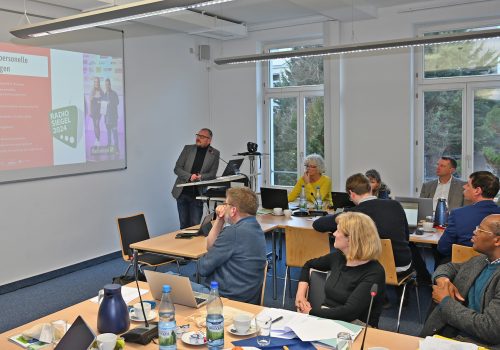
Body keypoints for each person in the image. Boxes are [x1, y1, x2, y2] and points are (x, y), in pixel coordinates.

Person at [420, 214, 500, 347]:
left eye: (480, 230)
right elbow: (448, 267)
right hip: (451, 334)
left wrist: (445, 301)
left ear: (497, 241)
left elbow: (489, 328)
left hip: (477, 343)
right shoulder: (481, 260)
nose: (474, 232)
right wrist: (442, 279)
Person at [295, 212, 386, 326]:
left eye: (338, 231)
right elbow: (308, 264)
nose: (334, 233)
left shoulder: (374, 272)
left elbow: (349, 312)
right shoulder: (339, 257)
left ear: (351, 239)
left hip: (356, 326)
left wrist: (310, 312)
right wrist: (301, 296)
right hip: (326, 317)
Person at [313, 173, 412, 272]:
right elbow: (407, 237)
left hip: (370, 268)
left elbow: (317, 225)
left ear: (351, 194)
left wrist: (339, 216)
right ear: (370, 189)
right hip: (402, 265)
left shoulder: (352, 214)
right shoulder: (395, 205)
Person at [198, 187, 267, 304]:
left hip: (224, 298)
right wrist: (220, 220)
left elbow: (203, 268)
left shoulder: (233, 232)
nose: (224, 207)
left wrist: (203, 259)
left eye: (226, 204)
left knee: (171, 282)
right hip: (248, 297)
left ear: (233, 210)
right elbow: (211, 247)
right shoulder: (256, 228)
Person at [436, 171, 500, 263]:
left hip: (463, 267)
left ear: (477, 190)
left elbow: (443, 248)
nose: (464, 186)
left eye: (468, 185)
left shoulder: (458, 214)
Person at [171, 129, 220, 229]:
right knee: (184, 226)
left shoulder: (214, 153)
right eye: (198, 135)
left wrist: (201, 177)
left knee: (195, 226)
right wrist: (190, 176)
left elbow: (212, 174)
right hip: (182, 193)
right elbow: (177, 168)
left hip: (198, 195)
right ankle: (183, 245)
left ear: (209, 140)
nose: (198, 138)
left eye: (202, 137)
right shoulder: (188, 149)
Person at [102, 79, 119, 152]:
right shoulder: (104, 95)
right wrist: (104, 117)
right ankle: (109, 144)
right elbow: (103, 108)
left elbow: (117, 102)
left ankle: (116, 147)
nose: (107, 86)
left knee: (114, 133)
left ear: (110, 85)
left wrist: (110, 102)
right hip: (107, 118)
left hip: (113, 117)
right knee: (108, 132)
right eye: (106, 85)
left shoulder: (114, 93)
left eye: (108, 84)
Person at [89, 77, 103, 146]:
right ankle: (97, 139)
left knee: (97, 124)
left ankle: (98, 139)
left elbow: (104, 101)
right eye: (95, 82)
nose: (96, 83)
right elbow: (90, 102)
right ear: (94, 83)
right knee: (95, 125)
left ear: (99, 83)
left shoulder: (101, 91)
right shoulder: (92, 92)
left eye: (97, 82)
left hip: (99, 111)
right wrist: (89, 111)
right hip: (93, 111)